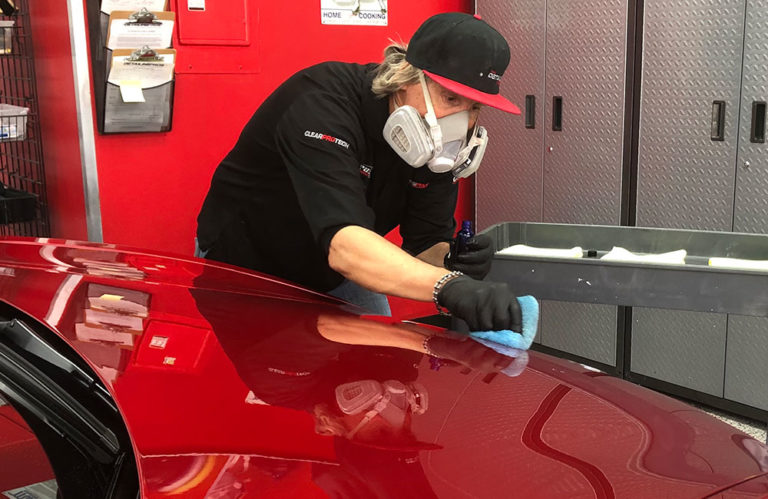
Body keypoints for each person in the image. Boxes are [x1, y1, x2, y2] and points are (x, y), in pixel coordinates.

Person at [195, 12, 524, 333]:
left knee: (375, 360)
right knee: (264, 373)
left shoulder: (437, 147)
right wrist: (449, 287)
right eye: (451, 97)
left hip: (337, 269)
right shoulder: (321, 105)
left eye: (475, 107)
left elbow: (425, 240)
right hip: (250, 262)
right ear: (407, 77)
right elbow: (346, 245)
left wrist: (453, 264)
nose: (460, 123)